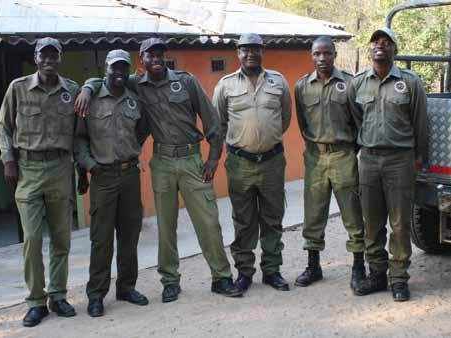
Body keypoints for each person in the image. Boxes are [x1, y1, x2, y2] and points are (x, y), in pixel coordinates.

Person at [75, 38, 243, 303]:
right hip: (162, 161)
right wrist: (86, 87)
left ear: (165, 57)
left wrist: (212, 159)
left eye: (160, 55)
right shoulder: (135, 84)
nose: (156, 59)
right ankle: (170, 281)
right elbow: (107, 80)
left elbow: (212, 121)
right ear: (141, 59)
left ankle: (221, 277)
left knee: (208, 221)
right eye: (150, 55)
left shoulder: (186, 81)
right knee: (166, 226)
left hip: (191, 160)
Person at [0, 37, 79, 327]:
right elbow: (2, 127)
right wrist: (8, 159)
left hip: (60, 168)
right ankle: (35, 301)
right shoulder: (18, 88)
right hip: (28, 169)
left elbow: (80, 133)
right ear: (35, 58)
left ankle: (58, 294)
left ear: (60, 58)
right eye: (44, 55)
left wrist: (81, 169)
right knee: (31, 239)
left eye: (54, 55)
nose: (49, 60)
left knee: (61, 238)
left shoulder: (72, 90)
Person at [348, 27, 427, 301]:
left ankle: (399, 278)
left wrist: (417, 160)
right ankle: (377, 274)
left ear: (395, 49)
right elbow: (357, 118)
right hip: (368, 160)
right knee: (371, 222)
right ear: (369, 50)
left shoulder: (410, 82)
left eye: (386, 42)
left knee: (400, 223)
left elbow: (420, 123)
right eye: (375, 43)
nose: (379, 46)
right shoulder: (358, 83)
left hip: (399, 160)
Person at [213, 33, 292, 293]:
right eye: (245, 50)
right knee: (243, 220)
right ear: (238, 53)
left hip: (272, 161)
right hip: (240, 164)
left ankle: (272, 271)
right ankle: (244, 272)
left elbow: (285, 118)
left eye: (255, 49)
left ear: (262, 52)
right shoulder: (225, 85)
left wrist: (265, 139)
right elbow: (219, 122)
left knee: (272, 218)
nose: (250, 54)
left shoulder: (278, 81)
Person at [75, 50, 149, 317]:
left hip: (130, 176)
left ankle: (127, 288)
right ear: (104, 68)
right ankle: (96, 295)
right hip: (103, 177)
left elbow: (142, 129)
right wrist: (89, 164)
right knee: (101, 240)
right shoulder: (91, 98)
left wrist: (131, 149)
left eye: (122, 69)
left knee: (129, 236)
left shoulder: (133, 99)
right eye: (113, 68)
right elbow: (80, 138)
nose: (118, 73)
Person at [294, 36, 365, 291]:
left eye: (327, 53)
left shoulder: (349, 83)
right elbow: (303, 124)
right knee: (313, 214)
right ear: (311, 56)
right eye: (317, 54)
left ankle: (359, 267)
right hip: (315, 157)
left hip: (344, 155)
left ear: (335, 55)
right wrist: (316, 147)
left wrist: (348, 150)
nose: (322, 59)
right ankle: (313, 266)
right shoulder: (302, 86)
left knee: (352, 214)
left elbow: (359, 122)